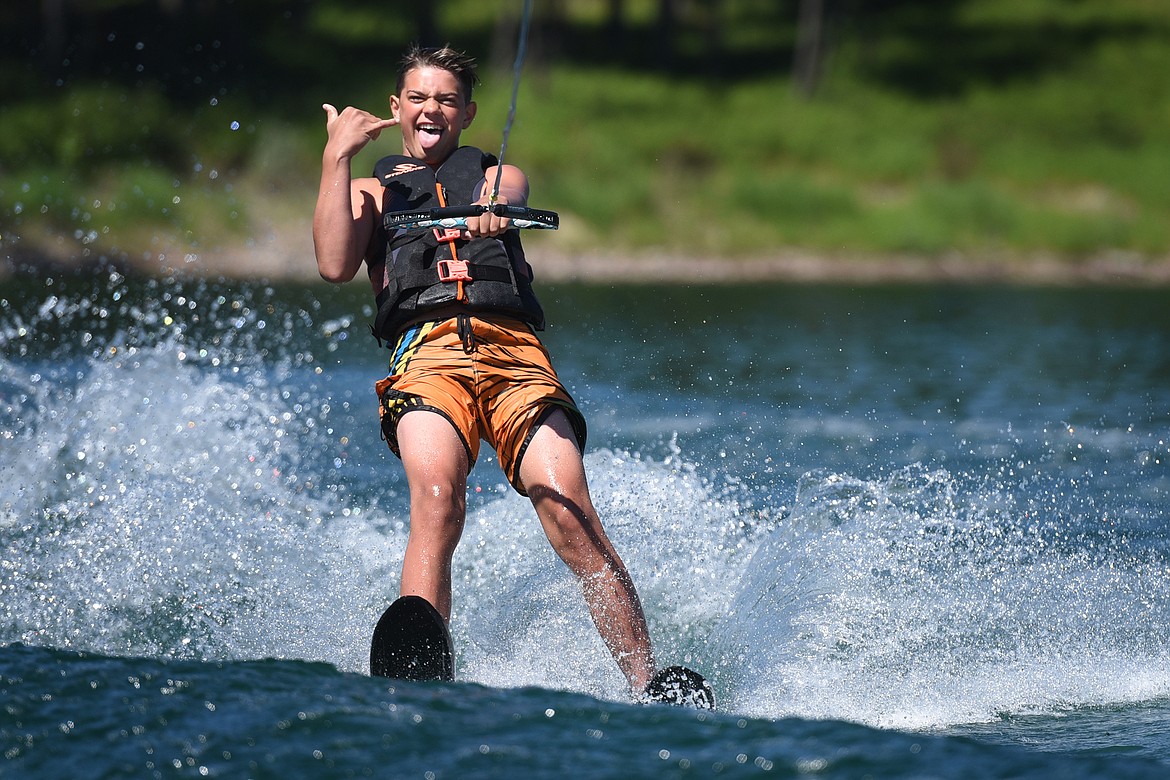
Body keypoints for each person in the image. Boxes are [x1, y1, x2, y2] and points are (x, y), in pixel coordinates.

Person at [312, 45, 657, 696]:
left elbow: (510, 188)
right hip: (429, 352)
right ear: (396, 109)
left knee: (568, 509)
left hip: (513, 354)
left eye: (445, 100)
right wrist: (337, 154)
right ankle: (416, 681)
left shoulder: (495, 175)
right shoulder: (369, 190)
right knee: (438, 499)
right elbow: (334, 261)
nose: (430, 109)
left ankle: (648, 682)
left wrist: (493, 209)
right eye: (417, 98)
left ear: (467, 114)